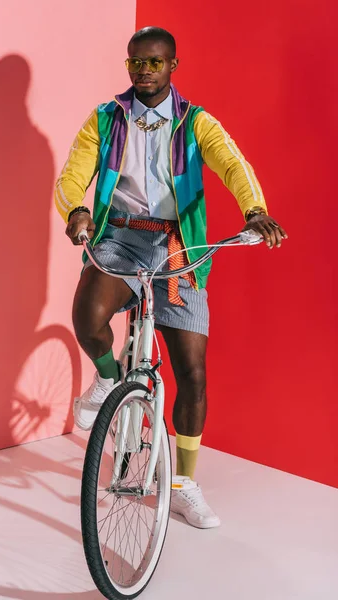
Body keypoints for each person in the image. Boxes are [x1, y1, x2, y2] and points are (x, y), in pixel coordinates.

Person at [55, 27, 287, 529]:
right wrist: (75, 208)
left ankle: (182, 485)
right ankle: (109, 381)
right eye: (136, 63)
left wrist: (254, 209)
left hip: (178, 247)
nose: (144, 72)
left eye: (154, 63)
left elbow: (231, 162)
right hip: (118, 236)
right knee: (87, 317)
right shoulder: (105, 118)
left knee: (193, 372)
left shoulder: (195, 121)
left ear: (172, 66)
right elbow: (73, 173)